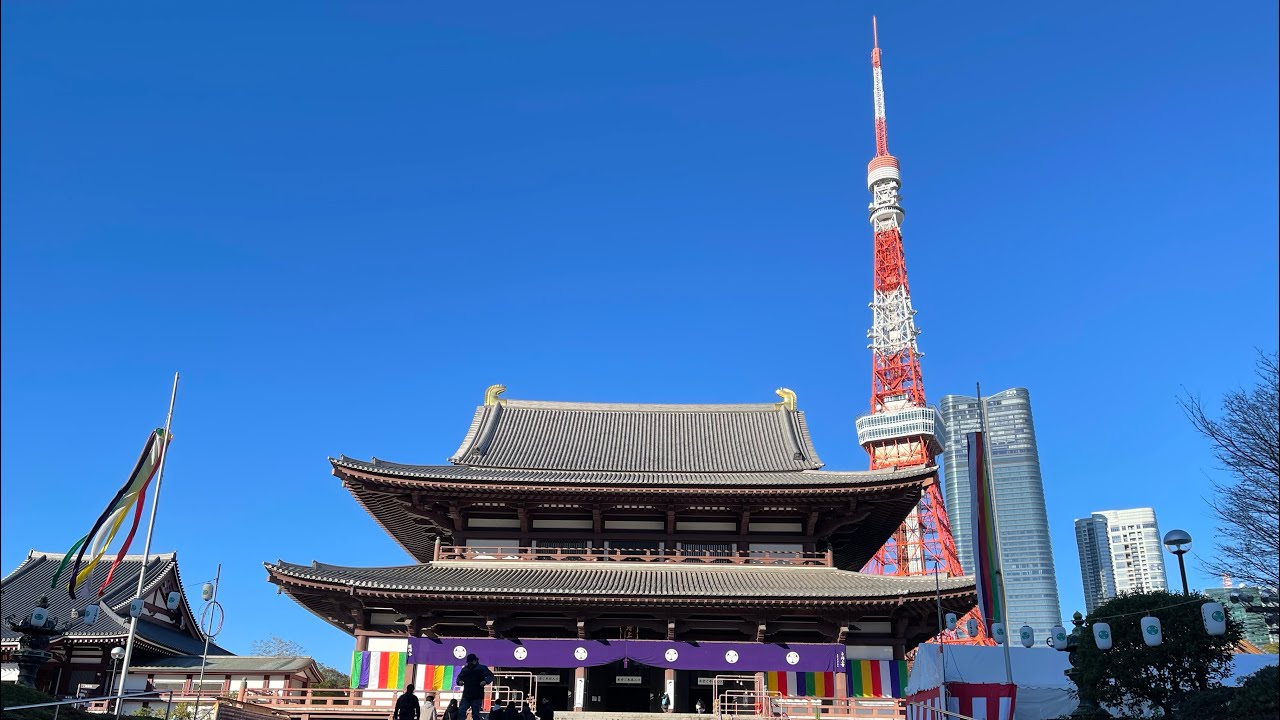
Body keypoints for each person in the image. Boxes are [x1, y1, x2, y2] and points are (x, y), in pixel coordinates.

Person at [455, 654, 493, 720]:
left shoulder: (482, 668)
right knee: (461, 711)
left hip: (477, 695)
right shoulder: (465, 669)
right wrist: (459, 681)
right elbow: (459, 677)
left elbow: (491, 675)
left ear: (475, 661)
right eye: (469, 663)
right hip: (467, 695)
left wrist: (485, 681)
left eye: (471, 663)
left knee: (475, 714)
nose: (470, 664)